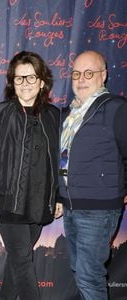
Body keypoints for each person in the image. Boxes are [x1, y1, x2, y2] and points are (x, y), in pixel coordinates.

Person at [0, 51, 62, 300]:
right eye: (19, 79)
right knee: (22, 262)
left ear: (42, 81)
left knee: (18, 261)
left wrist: (59, 196)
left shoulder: (54, 116)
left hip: (39, 203)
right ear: (12, 82)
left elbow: (57, 160)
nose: (25, 84)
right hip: (6, 203)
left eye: (31, 77)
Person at [58, 50, 127, 300]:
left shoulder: (116, 108)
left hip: (99, 208)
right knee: (79, 270)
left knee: (89, 275)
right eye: (76, 73)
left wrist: (123, 188)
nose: (81, 79)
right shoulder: (68, 114)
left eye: (89, 73)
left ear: (103, 75)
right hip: (71, 205)